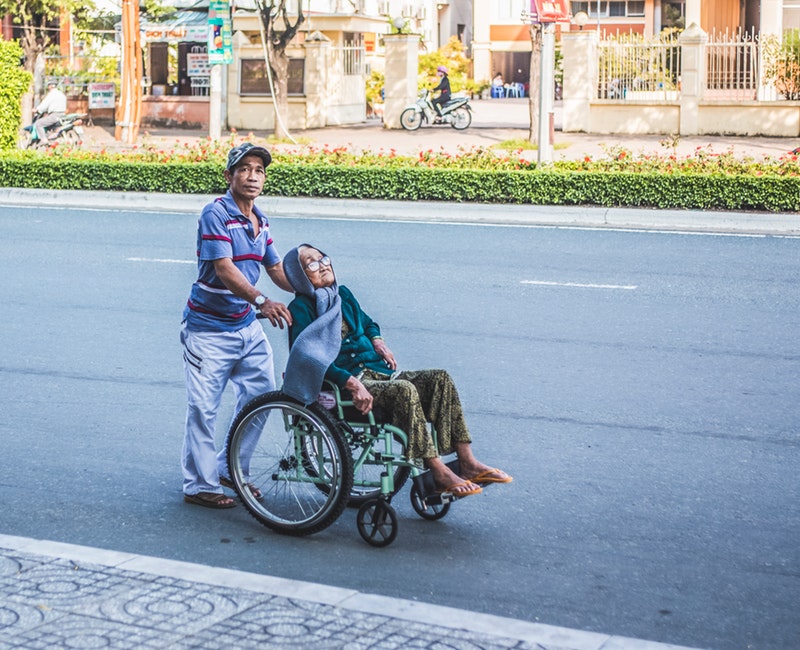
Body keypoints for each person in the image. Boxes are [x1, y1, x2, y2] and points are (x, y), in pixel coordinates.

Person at [285, 245, 513, 499]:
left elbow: (368, 323)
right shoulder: (301, 309)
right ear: (299, 275)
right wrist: (350, 382)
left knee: (440, 379)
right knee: (404, 391)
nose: (323, 264)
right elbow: (308, 357)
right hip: (345, 388)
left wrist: (378, 341)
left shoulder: (342, 295)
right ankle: (436, 470)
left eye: (323, 258)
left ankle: (467, 460)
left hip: (378, 374)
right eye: (312, 263)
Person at [180, 142, 293, 509]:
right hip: (208, 330)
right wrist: (263, 301)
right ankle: (199, 484)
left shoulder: (260, 221)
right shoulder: (215, 213)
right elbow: (225, 269)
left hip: (245, 327)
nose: (252, 176)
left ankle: (230, 468)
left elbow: (276, 269)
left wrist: (316, 288)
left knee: (260, 398)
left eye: (259, 170)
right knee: (203, 409)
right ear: (229, 176)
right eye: (244, 169)